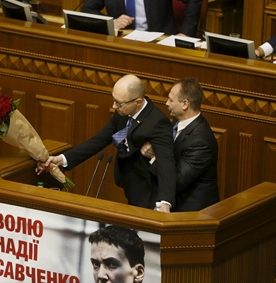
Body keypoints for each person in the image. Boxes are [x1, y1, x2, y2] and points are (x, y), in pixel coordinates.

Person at [36, 74, 176, 212]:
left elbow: (166, 163)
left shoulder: (157, 122)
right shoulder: (123, 112)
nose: (114, 106)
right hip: (131, 186)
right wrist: (61, 159)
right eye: (113, 99)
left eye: (119, 103)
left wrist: (164, 202)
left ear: (138, 101)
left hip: (148, 194)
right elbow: (97, 141)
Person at [141, 78, 219, 211]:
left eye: (171, 100)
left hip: (191, 215)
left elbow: (176, 180)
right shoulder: (176, 123)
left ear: (185, 104)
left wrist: (155, 157)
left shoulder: (201, 142)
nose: (166, 103)